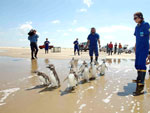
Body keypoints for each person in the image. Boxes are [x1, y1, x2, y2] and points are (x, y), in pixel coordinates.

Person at [132, 12, 150, 96]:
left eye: (135, 18)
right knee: (137, 65)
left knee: (142, 65)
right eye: (133, 18)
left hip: (144, 48)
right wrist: (135, 47)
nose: (134, 20)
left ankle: (141, 88)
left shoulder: (146, 24)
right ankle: (139, 79)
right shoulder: (136, 27)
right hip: (138, 49)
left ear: (140, 17)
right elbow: (137, 38)